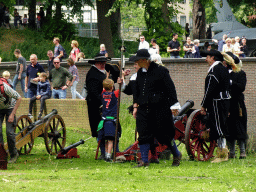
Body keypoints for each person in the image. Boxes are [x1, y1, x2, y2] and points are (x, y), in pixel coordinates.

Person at [132, 49, 182, 167]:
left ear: (145, 60)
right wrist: (135, 106)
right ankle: (144, 161)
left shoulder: (161, 71)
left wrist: (174, 105)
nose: (137, 63)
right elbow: (137, 91)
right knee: (143, 133)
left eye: (138, 60)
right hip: (144, 108)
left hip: (160, 108)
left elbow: (170, 88)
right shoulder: (140, 73)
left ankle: (176, 153)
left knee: (164, 134)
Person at [200, 49, 230, 163]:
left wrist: (204, 105)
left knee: (218, 127)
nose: (206, 59)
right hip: (224, 100)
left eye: (207, 57)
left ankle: (222, 155)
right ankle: (223, 152)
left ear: (213, 58)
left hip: (217, 101)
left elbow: (209, 91)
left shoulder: (214, 71)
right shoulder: (223, 69)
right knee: (221, 125)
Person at [222, 52, 247, 159]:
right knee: (229, 128)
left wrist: (232, 82)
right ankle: (231, 152)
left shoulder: (241, 73)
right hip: (228, 104)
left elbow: (241, 87)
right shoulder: (225, 73)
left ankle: (242, 151)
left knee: (239, 128)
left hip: (237, 104)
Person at [97, 79, 120, 162]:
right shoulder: (114, 94)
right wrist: (122, 78)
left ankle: (106, 153)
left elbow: (104, 88)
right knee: (111, 140)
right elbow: (121, 89)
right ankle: (108, 156)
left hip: (103, 120)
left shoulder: (103, 93)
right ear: (112, 86)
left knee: (106, 139)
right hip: (111, 120)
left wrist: (106, 77)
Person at [0, 76, 22, 163]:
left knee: (9, 132)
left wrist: (12, 114)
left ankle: (13, 154)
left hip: (10, 108)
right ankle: (2, 154)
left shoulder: (5, 88)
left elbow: (19, 98)